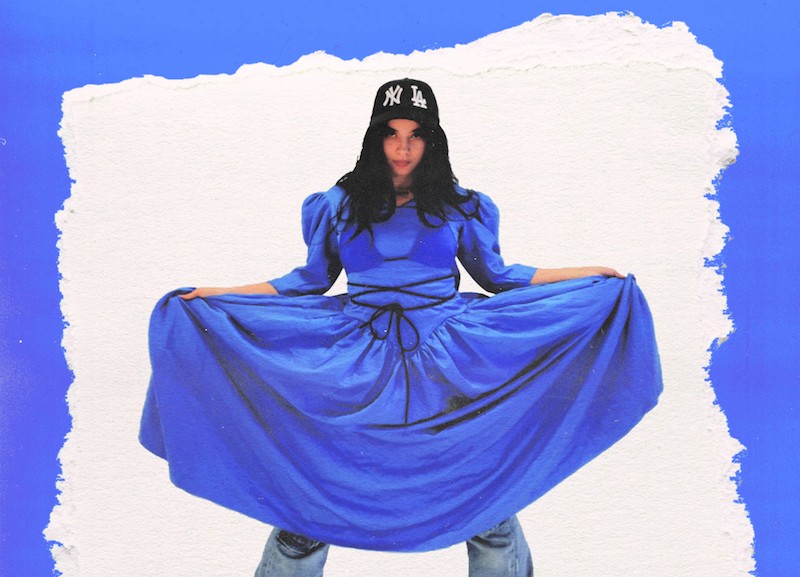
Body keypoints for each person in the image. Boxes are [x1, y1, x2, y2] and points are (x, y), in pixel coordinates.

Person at [140, 79, 662, 577]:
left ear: (433, 141)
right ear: (375, 138)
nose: (403, 147)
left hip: (448, 361)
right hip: (354, 362)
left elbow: (498, 276)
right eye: (392, 133)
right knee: (309, 505)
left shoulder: (462, 205)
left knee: (486, 507)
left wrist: (589, 275)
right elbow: (309, 280)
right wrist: (218, 295)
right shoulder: (337, 204)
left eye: (416, 135)